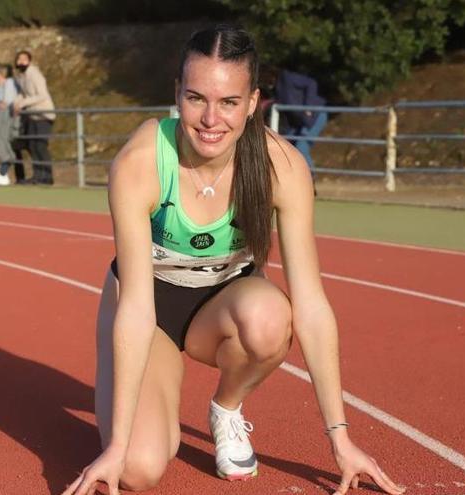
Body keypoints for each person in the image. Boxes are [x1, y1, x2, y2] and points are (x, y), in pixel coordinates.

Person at [62, 25, 405, 495]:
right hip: (149, 313)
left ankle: (226, 408)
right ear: (176, 94)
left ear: (252, 102)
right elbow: (138, 310)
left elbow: (312, 308)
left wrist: (340, 439)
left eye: (228, 102)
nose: (210, 119)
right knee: (136, 470)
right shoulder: (141, 162)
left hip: (223, 310)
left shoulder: (280, 166)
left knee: (269, 316)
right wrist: (117, 444)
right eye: (196, 98)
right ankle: (148, 406)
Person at [12, 50, 56, 185]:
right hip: (32, 114)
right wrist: (16, 103)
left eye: (24, 59)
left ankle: (47, 176)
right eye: (19, 59)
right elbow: (23, 93)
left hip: (43, 114)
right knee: (32, 146)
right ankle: (38, 175)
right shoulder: (21, 76)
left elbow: (42, 94)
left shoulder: (35, 74)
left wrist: (24, 103)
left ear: (29, 61)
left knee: (41, 145)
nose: (21, 62)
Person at [275, 68, 328, 173]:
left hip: (315, 116)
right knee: (286, 147)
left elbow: (311, 83)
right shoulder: (276, 90)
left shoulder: (287, 77)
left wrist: (308, 107)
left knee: (301, 148)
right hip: (300, 122)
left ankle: (309, 178)